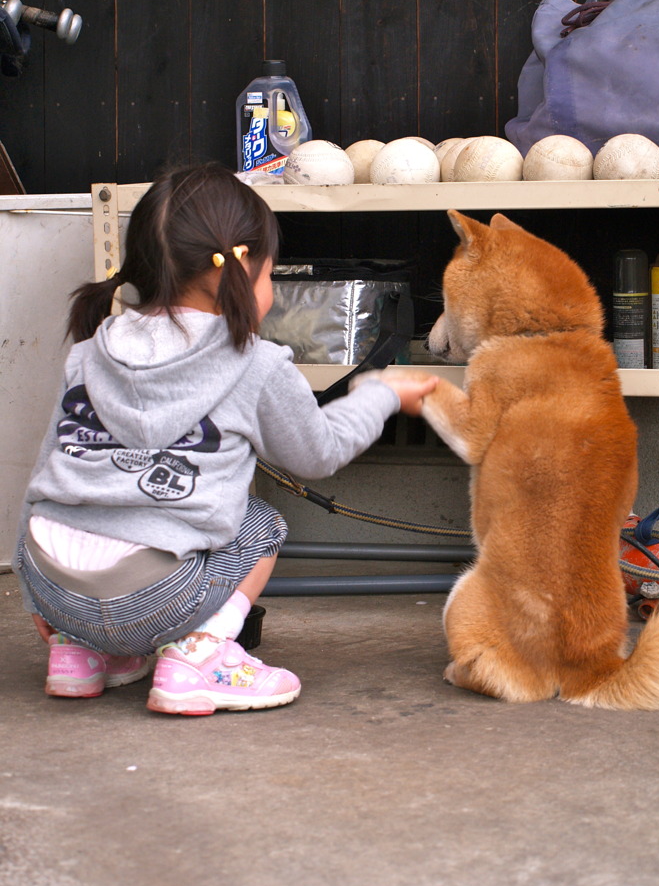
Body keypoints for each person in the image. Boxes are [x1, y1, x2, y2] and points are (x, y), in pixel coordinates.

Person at [13, 162, 437, 716]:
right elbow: (320, 453)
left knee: (90, 514)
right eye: (270, 274)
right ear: (241, 270)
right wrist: (382, 392)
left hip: (55, 590)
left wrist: (33, 592)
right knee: (260, 524)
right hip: (152, 599)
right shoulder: (255, 363)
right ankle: (197, 657)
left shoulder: (92, 352)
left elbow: (43, 478)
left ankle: (82, 654)